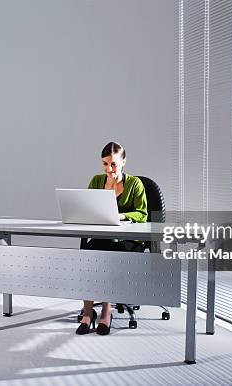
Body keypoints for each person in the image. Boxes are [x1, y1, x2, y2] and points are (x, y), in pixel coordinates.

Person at [75, 141, 148, 336]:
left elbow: (142, 213)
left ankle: (107, 313)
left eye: (113, 164)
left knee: (107, 258)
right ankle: (88, 313)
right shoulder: (97, 181)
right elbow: (87, 208)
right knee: (87, 258)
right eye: (105, 164)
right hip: (103, 237)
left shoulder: (134, 184)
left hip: (128, 241)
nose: (109, 169)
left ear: (123, 162)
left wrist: (121, 216)